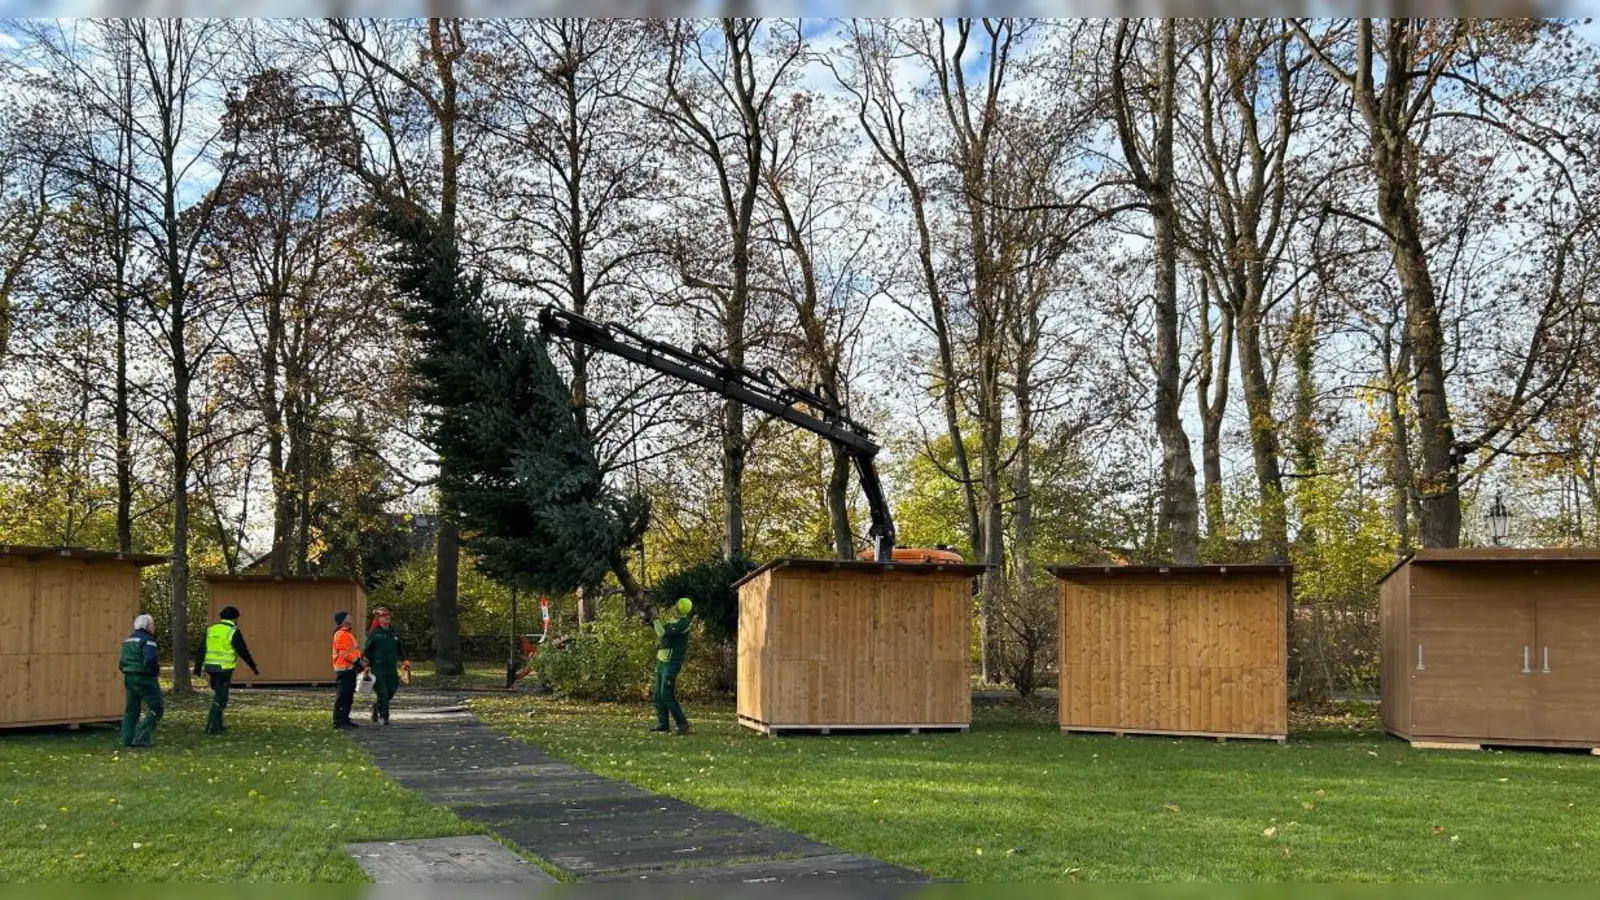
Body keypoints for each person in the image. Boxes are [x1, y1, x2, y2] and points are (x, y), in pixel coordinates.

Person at [194, 605, 260, 735]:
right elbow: (243, 651)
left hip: (210, 668)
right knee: (221, 698)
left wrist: (197, 667)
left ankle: (218, 725)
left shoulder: (211, 630)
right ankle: (211, 726)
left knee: (219, 695)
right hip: (224, 669)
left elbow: (202, 649)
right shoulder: (233, 631)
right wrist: (253, 667)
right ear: (235, 618)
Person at [650, 597, 694, 736]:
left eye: (676, 605)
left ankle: (682, 724)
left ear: (678, 607)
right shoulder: (673, 621)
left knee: (666, 693)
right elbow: (662, 631)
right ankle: (663, 724)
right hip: (662, 662)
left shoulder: (683, 623)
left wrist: (656, 618)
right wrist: (650, 620)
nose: (673, 607)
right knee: (657, 695)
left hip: (672, 663)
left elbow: (661, 633)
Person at [119, 614, 164, 748]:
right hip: (144, 678)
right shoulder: (148, 640)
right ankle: (141, 736)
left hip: (129, 677)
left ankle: (127, 739)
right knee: (157, 707)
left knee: (132, 709)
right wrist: (154, 672)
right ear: (147, 626)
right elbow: (150, 660)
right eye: (153, 624)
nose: (154, 627)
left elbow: (121, 662)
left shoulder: (128, 641)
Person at [361, 606, 410, 725]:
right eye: (383, 618)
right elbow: (366, 651)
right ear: (378, 620)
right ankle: (384, 717)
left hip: (391, 668)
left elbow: (400, 648)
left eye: (387, 618)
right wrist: (366, 666)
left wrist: (405, 660)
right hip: (377, 667)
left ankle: (377, 706)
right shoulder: (374, 633)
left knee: (391, 691)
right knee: (382, 692)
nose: (386, 621)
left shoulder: (394, 633)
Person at [331, 610, 364, 729]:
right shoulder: (341, 634)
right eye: (348, 616)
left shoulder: (347, 633)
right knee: (343, 696)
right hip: (344, 669)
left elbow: (353, 650)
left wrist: (361, 659)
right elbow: (345, 653)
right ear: (343, 620)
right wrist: (357, 662)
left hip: (350, 668)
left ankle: (345, 719)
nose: (351, 617)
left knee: (348, 696)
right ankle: (339, 721)